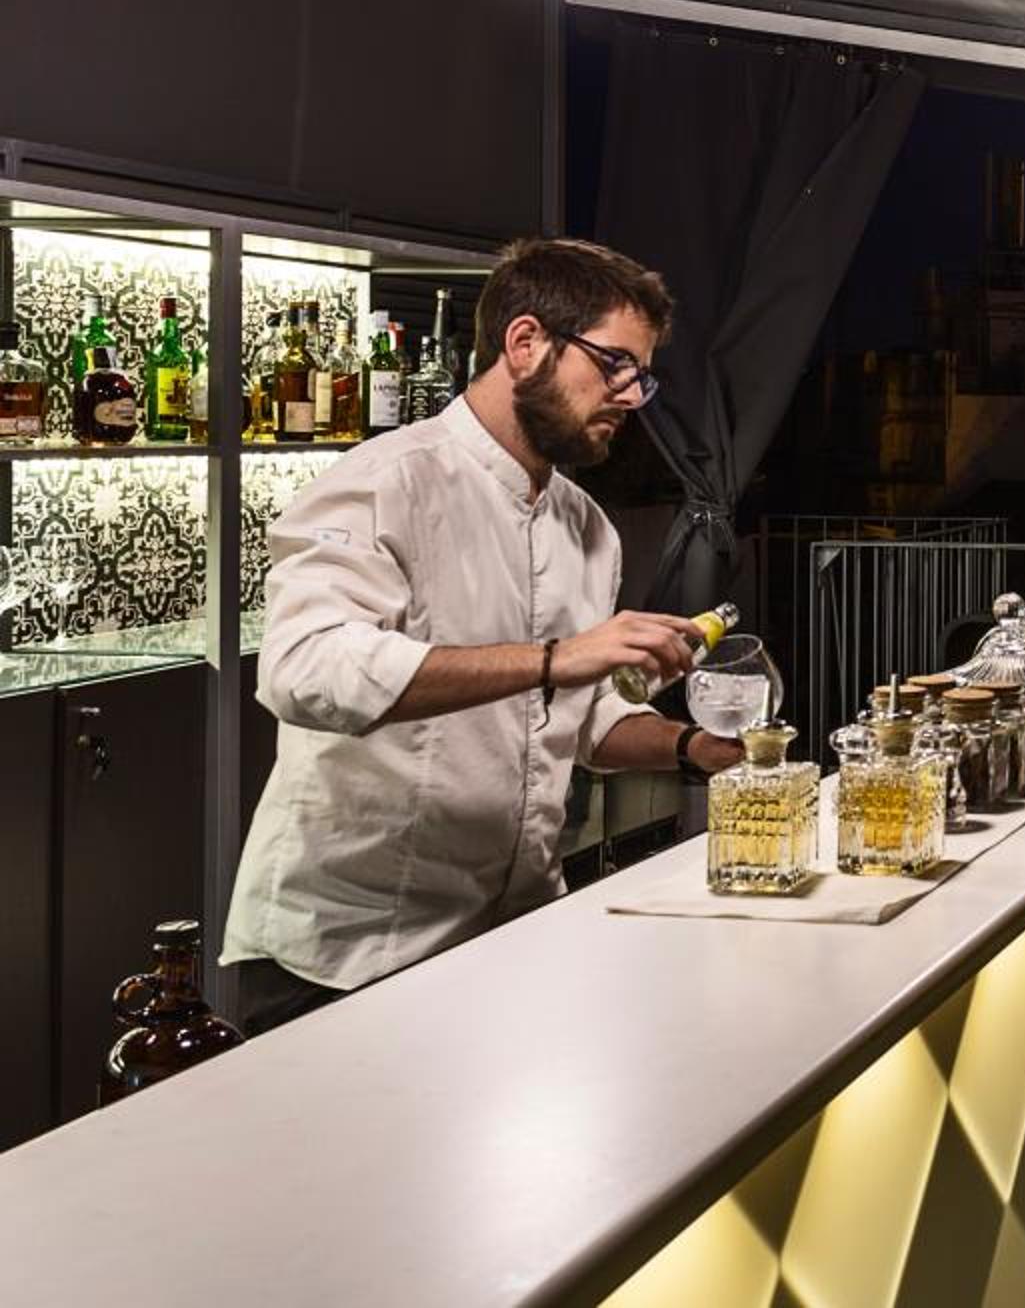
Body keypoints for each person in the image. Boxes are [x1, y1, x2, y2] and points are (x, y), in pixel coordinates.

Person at [223, 237, 743, 1031]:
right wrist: (556, 658)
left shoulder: (588, 529)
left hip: (516, 935)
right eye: (614, 365)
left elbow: (581, 722)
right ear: (525, 342)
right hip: (354, 955)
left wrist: (696, 749)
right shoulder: (383, 482)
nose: (631, 396)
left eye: (641, 376)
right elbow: (304, 670)